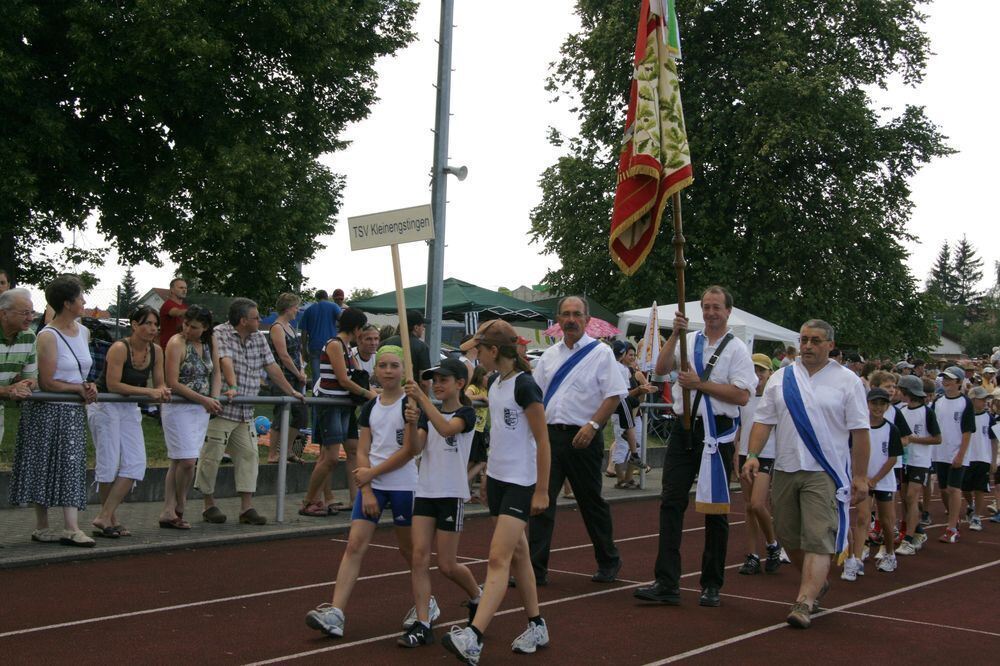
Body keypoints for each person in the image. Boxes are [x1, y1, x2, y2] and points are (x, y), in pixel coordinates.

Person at [743, 319, 870, 629]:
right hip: (786, 466)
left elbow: (860, 432)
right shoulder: (781, 378)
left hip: (824, 472)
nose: (808, 346)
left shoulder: (847, 381)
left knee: (817, 537)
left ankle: (804, 600)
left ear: (830, 345)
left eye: (815, 340)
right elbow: (763, 421)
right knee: (787, 534)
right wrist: (753, 455)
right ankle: (817, 581)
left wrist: (861, 475)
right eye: (804, 340)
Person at [635, 287, 756, 608]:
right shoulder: (691, 341)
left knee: (715, 511)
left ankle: (712, 583)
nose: (711, 312)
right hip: (683, 430)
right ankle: (666, 580)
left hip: (717, 435)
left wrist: (699, 384)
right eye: (706, 307)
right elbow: (661, 369)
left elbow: (742, 396)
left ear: (728, 311)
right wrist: (675, 334)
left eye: (717, 307)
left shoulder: (737, 350)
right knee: (670, 504)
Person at [442, 320, 551, 664]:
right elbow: (501, 436)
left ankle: (474, 636)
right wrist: (489, 476)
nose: (476, 356)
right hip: (501, 480)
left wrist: (543, 491)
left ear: (493, 351)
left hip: (522, 482)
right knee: (518, 556)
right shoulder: (493, 384)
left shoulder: (525, 387)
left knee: (497, 558)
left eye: (480, 350)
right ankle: (537, 624)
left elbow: (543, 441)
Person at [305, 346, 421, 638]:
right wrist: (366, 488)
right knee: (354, 545)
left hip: (404, 486)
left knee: (411, 552)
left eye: (395, 365)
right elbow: (363, 452)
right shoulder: (370, 407)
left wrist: (373, 473)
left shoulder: (412, 406)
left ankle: (425, 602)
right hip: (374, 485)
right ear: (375, 371)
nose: (388, 370)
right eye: (383, 365)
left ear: (403, 371)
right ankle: (336, 612)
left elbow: (409, 451)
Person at [529, 296, 626, 586]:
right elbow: (534, 396)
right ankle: (534, 570)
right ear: (558, 320)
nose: (571, 319)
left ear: (586, 320)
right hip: (550, 439)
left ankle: (609, 560)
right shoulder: (548, 357)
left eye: (576, 314)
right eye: (566, 314)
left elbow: (613, 395)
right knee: (541, 503)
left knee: (590, 502)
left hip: (584, 438)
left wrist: (594, 425)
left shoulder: (602, 353)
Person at [195, 298, 305, 525]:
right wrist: (232, 387)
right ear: (243, 320)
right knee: (211, 457)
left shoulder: (258, 338)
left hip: (245, 412)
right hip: (223, 408)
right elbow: (224, 361)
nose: (260, 321)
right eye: (255, 317)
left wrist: (290, 390)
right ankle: (209, 504)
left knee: (249, 456)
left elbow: (272, 367)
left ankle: (247, 508)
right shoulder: (220, 333)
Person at [9, 275, 99, 547]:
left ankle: (72, 526)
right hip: (47, 411)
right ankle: (42, 525)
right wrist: (76, 389)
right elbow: (47, 381)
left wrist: (88, 387)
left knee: (71, 464)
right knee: (43, 463)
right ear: (67, 302)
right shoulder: (47, 336)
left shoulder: (83, 331)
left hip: (72, 412)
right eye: (80, 297)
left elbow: (83, 372)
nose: (84, 301)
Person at [399, 358, 480, 648]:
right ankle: (423, 622)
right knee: (419, 557)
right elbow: (415, 448)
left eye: (443, 380)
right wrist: (411, 422)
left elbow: (447, 429)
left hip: (450, 494)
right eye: (434, 380)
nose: (437, 385)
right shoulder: (426, 415)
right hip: (426, 491)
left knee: (447, 565)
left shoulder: (467, 413)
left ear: (460, 384)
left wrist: (421, 400)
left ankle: (477, 596)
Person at [88, 305, 171, 538]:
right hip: (105, 405)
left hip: (128, 407)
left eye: (156, 324)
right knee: (109, 462)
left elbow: (159, 382)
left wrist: (162, 391)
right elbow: (113, 384)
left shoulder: (156, 351)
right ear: (134, 325)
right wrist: (148, 394)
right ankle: (109, 519)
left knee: (135, 463)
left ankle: (104, 516)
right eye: (148, 324)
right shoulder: (119, 348)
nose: (153, 328)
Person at [301, 307, 376, 517]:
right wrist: (369, 395)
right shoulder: (334, 344)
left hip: (344, 405)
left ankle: (352, 498)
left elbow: (355, 377)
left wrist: (373, 392)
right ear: (356, 328)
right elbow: (343, 379)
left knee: (352, 450)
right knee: (331, 457)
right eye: (363, 329)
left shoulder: (345, 347)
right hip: (331, 403)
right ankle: (309, 501)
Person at [159, 306, 222, 529]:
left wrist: (214, 398)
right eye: (186, 324)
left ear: (205, 328)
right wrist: (204, 400)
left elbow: (216, 372)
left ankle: (170, 508)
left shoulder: (209, 342)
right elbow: (173, 381)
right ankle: (179, 502)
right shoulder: (177, 343)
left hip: (199, 410)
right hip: (179, 408)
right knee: (185, 459)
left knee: (182, 459)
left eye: (194, 327)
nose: (187, 329)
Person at [842, 387, 902, 579]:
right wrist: (861, 477)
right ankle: (856, 560)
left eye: (882, 404)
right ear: (867, 404)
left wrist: (876, 479)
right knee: (862, 518)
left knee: (886, 520)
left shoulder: (891, 429)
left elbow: (892, 458)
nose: (877, 407)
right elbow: (850, 452)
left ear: (887, 406)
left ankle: (890, 553)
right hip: (863, 481)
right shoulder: (858, 428)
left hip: (883, 481)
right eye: (874, 403)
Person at [734, 353, 786, 576]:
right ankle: (753, 554)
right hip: (746, 455)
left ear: (769, 374)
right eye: (753, 370)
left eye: (761, 371)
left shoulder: (773, 399)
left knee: (757, 504)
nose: (757, 375)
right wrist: (736, 455)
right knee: (748, 507)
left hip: (767, 455)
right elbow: (739, 430)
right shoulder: (744, 397)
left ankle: (773, 544)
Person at [895, 374, 941, 556]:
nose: (898, 392)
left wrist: (914, 440)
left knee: (912, 497)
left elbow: (937, 438)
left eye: (901, 389)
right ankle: (918, 532)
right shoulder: (901, 411)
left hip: (920, 461)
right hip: (904, 460)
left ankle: (909, 539)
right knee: (905, 498)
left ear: (909, 392)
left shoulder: (927, 412)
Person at [932, 365, 975, 543]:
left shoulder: (965, 403)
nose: (946, 381)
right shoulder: (938, 402)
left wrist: (960, 454)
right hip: (939, 453)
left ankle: (951, 528)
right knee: (943, 489)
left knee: (953, 488)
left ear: (959, 382)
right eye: (944, 378)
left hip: (957, 453)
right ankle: (954, 518)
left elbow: (967, 431)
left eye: (950, 378)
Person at [266, 293, 308, 464]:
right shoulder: (277, 327)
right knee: (280, 414)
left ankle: (287, 449)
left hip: (296, 377)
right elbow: (283, 355)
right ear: (288, 308)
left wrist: (302, 370)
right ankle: (272, 454)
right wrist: (297, 373)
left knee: (301, 415)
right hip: (282, 377)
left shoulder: (291, 327)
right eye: (295, 307)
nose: (297, 310)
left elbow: (297, 352)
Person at [1, 288, 38, 445]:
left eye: (32, 312)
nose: (30, 318)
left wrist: (24, 386)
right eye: (24, 313)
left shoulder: (29, 336)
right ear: (4, 314)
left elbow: (31, 377)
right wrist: (7, 390)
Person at [962, 386, 997, 532]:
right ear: (972, 400)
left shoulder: (989, 417)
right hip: (966, 457)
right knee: (964, 488)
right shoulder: (964, 415)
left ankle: (976, 516)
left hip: (982, 457)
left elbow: (994, 440)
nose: (985, 402)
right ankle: (971, 505)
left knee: (980, 489)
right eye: (981, 399)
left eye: (986, 399)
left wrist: (993, 460)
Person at [381, 310, 433, 394]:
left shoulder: (385, 343)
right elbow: (424, 382)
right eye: (422, 326)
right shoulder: (421, 347)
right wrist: (424, 400)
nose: (423, 329)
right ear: (416, 328)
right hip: (410, 397)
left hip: (386, 394)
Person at [299, 290, 342, 382]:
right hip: (331, 345)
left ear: (316, 298)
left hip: (314, 345)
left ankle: (316, 394)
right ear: (327, 297)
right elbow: (342, 319)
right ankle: (329, 393)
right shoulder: (334, 306)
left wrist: (304, 349)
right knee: (331, 373)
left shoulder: (308, 310)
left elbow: (304, 332)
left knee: (316, 374)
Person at [466, 365, 490, 497]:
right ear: (480, 376)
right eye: (486, 375)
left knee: (482, 461)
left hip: (481, 430)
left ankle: (463, 484)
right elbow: (466, 397)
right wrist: (480, 397)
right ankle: (462, 486)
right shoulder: (474, 388)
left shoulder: (486, 390)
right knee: (471, 460)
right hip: (473, 430)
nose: (488, 378)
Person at [159, 277, 188, 349]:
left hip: (181, 345)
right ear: (172, 290)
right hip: (169, 346)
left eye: (185, 288)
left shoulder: (185, 306)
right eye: (181, 288)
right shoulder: (168, 304)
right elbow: (176, 312)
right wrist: (195, 311)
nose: (184, 290)